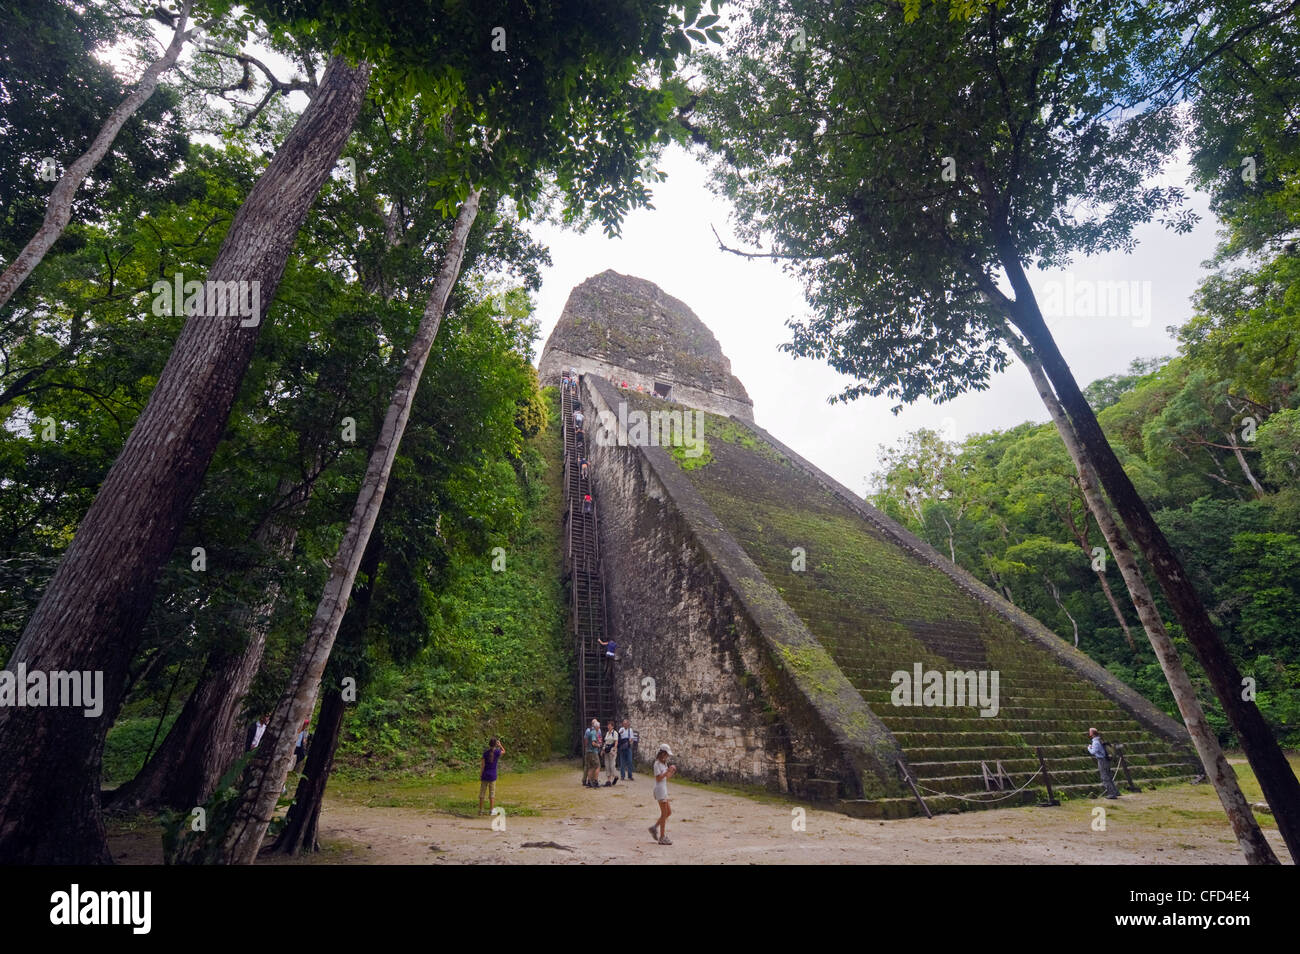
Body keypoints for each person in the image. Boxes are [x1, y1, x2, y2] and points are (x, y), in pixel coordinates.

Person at [648, 744, 677, 845]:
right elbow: (658, 778)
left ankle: (655, 827)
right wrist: (667, 772)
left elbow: (666, 777)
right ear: (662, 753)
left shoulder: (664, 764)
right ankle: (662, 836)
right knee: (664, 813)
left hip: (663, 789)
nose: (667, 756)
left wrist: (671, 771)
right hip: (660, 790)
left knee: (668, 812)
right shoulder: (657, 764)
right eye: (666, 754)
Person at [1087, 727, 1120, 799]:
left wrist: (1089, 747)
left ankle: (1112, 794)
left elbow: (1093, 752)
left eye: (1090, 732)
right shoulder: (1100, 739)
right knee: (1109, 776)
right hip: (1106, 759)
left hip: (1102, 760)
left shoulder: (1095, 742)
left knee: (1104, 777)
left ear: (1092, 734)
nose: (1089, 733)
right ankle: (1116, 792)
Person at [479, 737, 505, 815]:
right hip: (493, 776)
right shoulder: (497, 752)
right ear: (495, 745)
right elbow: (504, 751)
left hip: (485, 775)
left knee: (482, 794)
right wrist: (500, 745)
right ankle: (491, 810)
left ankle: (480, 810)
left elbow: (482, 766)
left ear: (489, 744)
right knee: (492, 794)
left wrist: (480, 774)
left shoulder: (485, 753)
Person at [583, 719, 603, 788]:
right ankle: (595, 781)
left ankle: (589, 782)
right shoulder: (594, 732)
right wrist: (599, 745)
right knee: (597, 766)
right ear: (596, 727)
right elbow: (593, 743)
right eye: (599, 726)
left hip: (588, 752)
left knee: (591, 767)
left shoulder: (590, 732)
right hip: (593, 752)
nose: (599, 727)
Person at [603, 721, 620, 786]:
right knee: (607, 765)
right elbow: (606, 742)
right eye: (608, 725)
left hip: (612, 749)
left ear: (612, 726)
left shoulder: (615, 733)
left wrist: (614, 750)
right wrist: (603, 749)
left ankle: (615, 776)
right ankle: (608, 780)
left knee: (612, 765)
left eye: (609, 726)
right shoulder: (607, 733)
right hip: (607, 750)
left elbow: (616, 742)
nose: (608, 727)